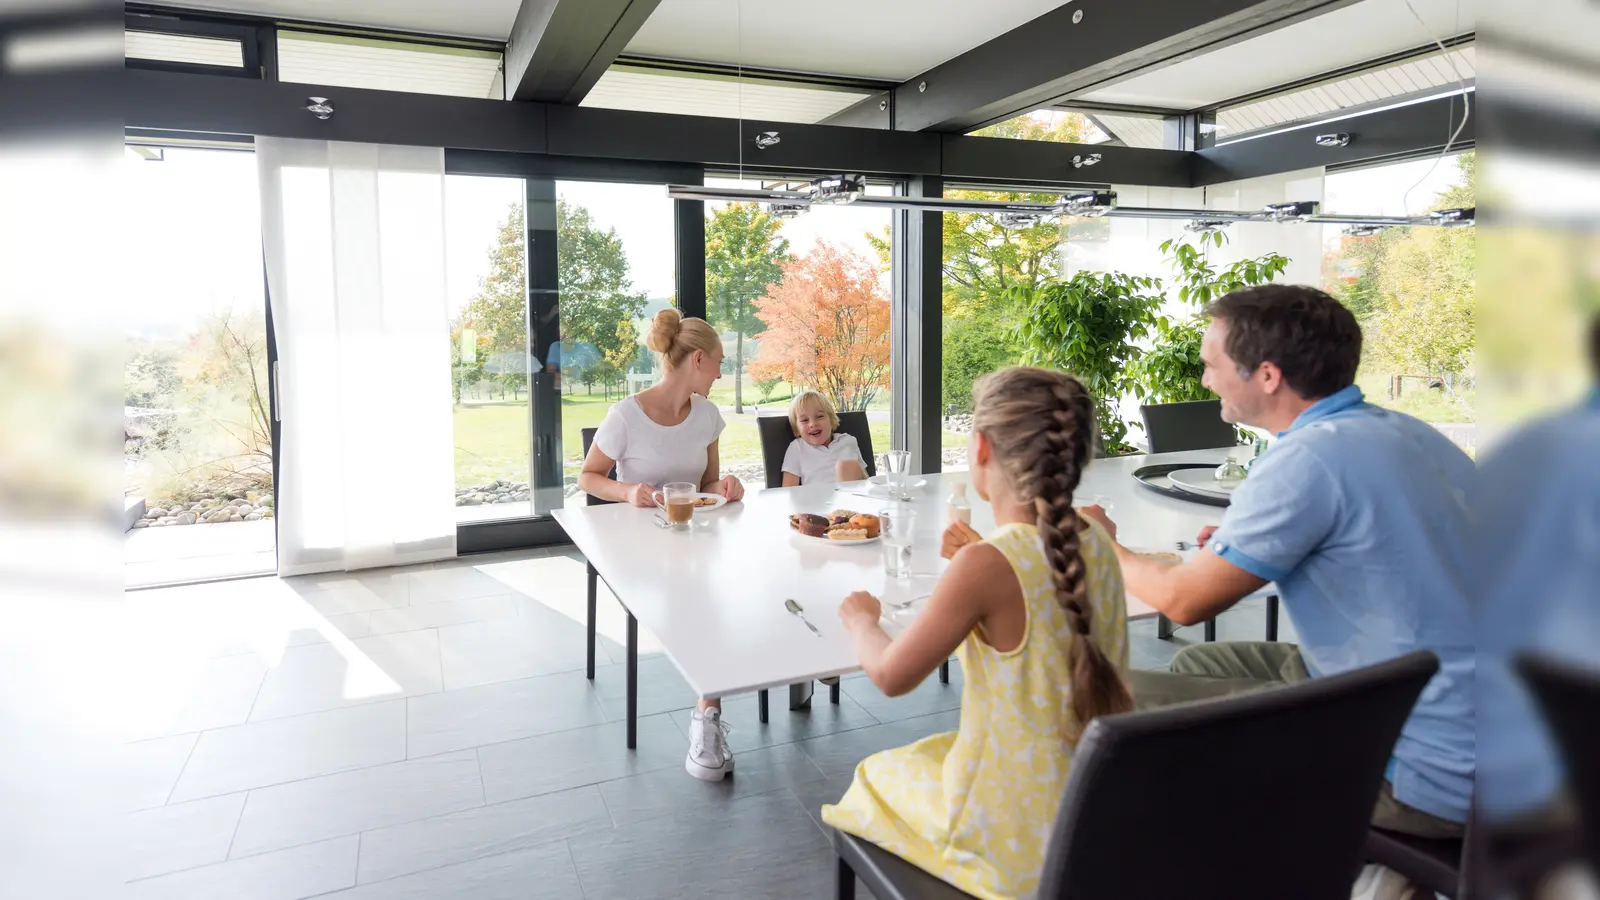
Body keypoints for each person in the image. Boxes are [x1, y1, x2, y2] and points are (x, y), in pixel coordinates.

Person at [1079, 283, 1475, 840]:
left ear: (1266, 375)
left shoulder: (1306, 460)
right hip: (1494, 729)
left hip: (1422, 772)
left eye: (1212, 365)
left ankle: (1298, 861)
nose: (1204, 380)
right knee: (1202, 667)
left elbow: (1183, 602)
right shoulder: (1405, 432)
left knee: (1102, 701)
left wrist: (1101, 543)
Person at [822, 367, 1131, 900]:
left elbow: (891, 676)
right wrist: (979, 555)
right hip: (1101, 814)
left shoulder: (986, 565)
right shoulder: (1100, 539)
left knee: (873, 775)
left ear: (983, 448)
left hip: (1008, 838)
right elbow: (1036, 586)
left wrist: (861, 621)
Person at [578, 307, 746, 781]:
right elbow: (588, 477)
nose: (721, 372)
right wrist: (628, 491)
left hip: (696, 542)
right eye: (717, 362)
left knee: (731, 588)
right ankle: (707, 717)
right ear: (696, 360)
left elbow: (709, 483)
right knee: (706, 600)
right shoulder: (626, 416)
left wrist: (729, 487)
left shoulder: (708, 416)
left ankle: (709, 711)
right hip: (640, 548)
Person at [779, 389, 868, 487]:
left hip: (852, 497)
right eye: (804, 420)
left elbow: (866, 480)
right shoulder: (797, 447)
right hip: (816, 500)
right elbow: (788, 490)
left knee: (847, 467)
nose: (813, 424)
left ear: (831, 419)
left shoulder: (848, 441)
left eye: (819, 416)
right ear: (797, 429)